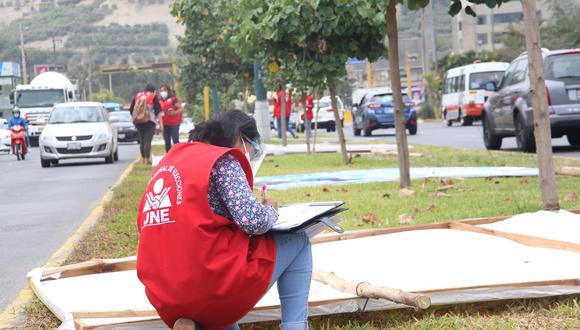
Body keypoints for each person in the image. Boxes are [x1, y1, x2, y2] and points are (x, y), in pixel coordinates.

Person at [136, 110, 312, 330]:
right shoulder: (224, 160)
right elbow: (253, 221)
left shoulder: (170, 161)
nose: (252, 154)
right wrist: (271, 211)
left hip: (164, 292)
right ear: (240, 138)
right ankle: (295, 327)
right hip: (208, 285)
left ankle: (194, 324)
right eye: (252, 147)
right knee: (299, 240)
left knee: (219, 313)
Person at [130, 84, 163, 165]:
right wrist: (161, 124)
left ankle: (143, 158)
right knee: (147, 141)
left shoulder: (138, 95)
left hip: (138, 122)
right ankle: (146, 160)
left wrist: (137, 117)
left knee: (142, 141)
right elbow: (158, 111)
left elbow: (131, 109)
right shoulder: (153, 96)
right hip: (149, 122)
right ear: (153, 90)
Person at [159, 83, 183, 152]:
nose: (163, 92)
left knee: (175, 140)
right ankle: (169, 158)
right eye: (161, 90)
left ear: (168, 91)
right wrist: (160, 124)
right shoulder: (160, 101)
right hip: (165, 124)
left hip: (174, 124)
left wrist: (174, 113)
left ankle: (178, 156)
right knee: (167, 142)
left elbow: (181, 108)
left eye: (164, 90)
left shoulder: (173, 99)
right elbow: (159, 113)